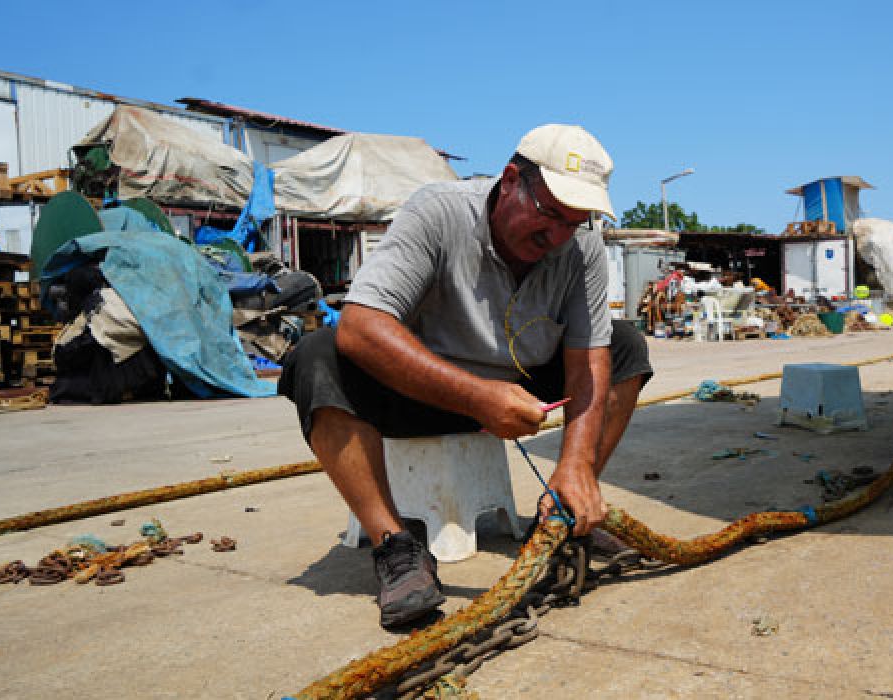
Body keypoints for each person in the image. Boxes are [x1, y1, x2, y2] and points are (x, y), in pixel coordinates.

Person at [279, 124, 652, 629]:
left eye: (575, 222)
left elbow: (588, 360)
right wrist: (478, 398)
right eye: (550, 215)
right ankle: (396, 547)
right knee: (317, 354)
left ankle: (562, 510)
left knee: (624, 344)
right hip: (421, 391)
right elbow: (362, 326)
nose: (558, 237)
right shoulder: (439, 213)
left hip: (523, 387)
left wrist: (578, 464)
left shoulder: (580, 247)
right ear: (511, 179)